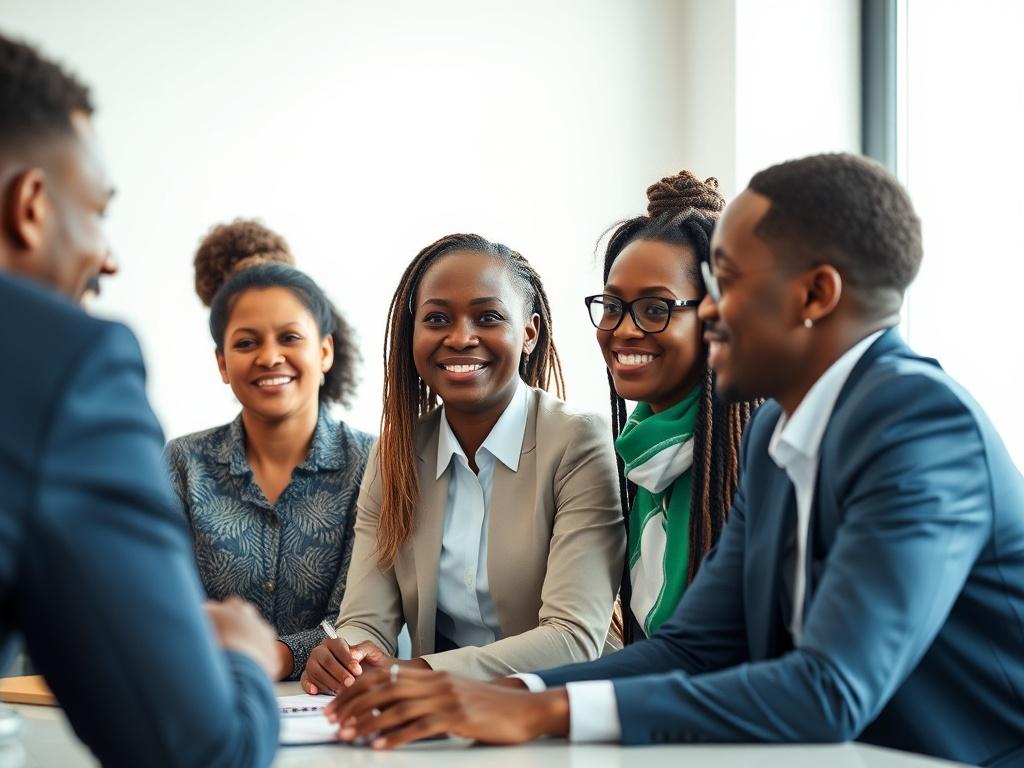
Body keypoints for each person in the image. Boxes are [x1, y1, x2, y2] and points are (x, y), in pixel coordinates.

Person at [324, 154, 1024, 768]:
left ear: (815, 295)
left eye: (728, 282)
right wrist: (501, 693)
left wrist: (543, 712)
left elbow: (829, 689)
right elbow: (693, 647)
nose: (711, 311)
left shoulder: (919, 424)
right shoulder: (780, 431)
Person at [0, 33, 280, 767]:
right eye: (95, 211)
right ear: (29, 205)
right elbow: (197, 751)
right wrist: (245, 655)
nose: (110, 256)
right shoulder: (68, 367)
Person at [301, 233, 624, 691]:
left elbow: (573, 638)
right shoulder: (395, 452)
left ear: (529, 332)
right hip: (445, 717)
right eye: (437, 319)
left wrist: (417, 674)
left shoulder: (576, 441)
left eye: (488, 317)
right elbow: (366, 622)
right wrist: (348, 657)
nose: (460, 337)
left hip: (561, 707)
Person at [165, 259, 373, 681]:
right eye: (246, 344)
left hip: (332, 704)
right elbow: (165, 603)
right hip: (206, 695)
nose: (270, 356)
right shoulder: (182, 463)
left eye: (290, 337)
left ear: (325, 351)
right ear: (222, 363)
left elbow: (356, 618)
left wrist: (271, 657)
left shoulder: (374, 463)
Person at [587, 170, 758, 642]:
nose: (623, 329)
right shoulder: (641, 453)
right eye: (612, 305)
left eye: (656, 309)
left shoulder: (755, 456)